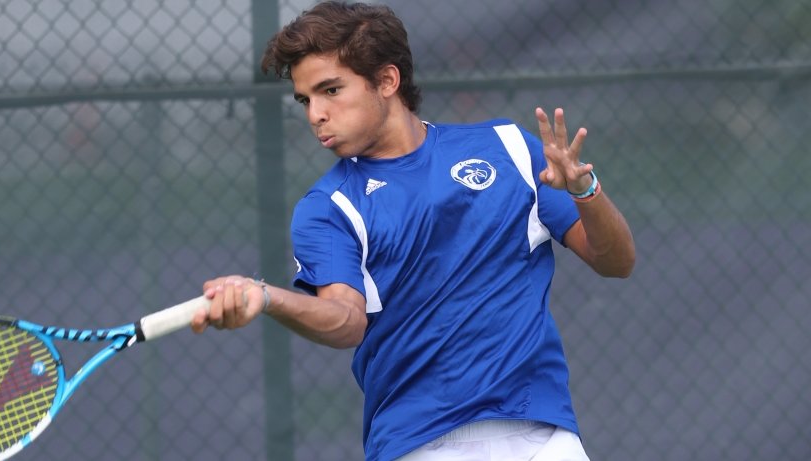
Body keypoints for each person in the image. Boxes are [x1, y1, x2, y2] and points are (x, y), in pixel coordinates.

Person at [190, 2, 635, 460]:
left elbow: (616, 262)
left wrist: (586, 191)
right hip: (418, 444)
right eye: (306, 99)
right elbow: (346, 320)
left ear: (386, 81)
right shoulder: (329, 209)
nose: (315, 114)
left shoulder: (507, 148)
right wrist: (265, 296)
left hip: (542, 435)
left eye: (331, 90)